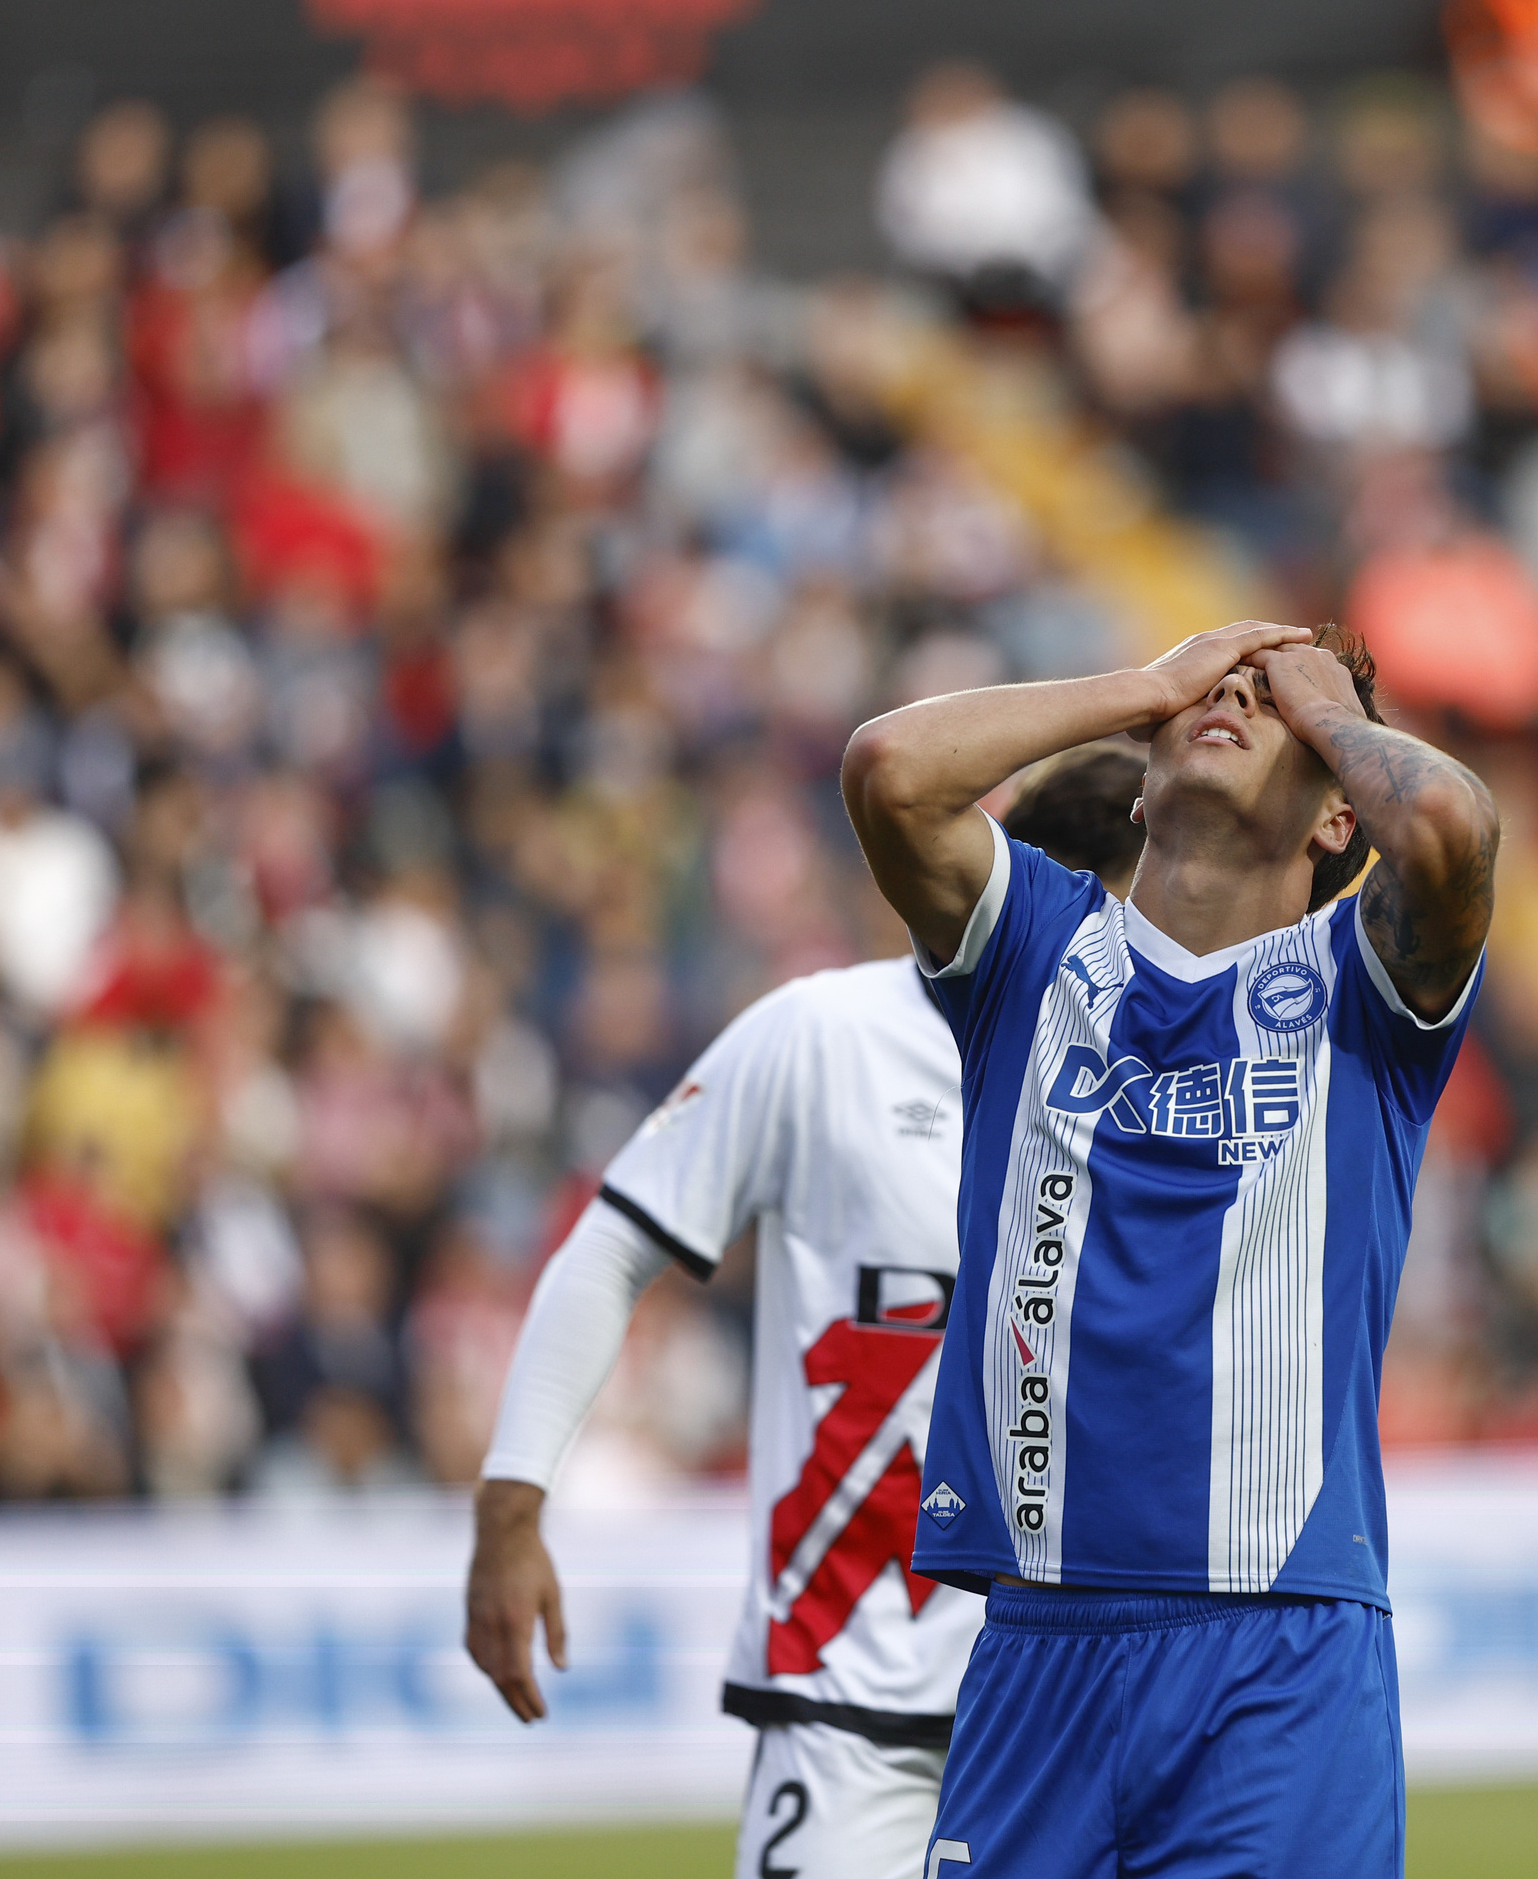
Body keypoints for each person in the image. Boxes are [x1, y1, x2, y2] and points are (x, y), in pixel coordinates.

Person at [840, 620, 1497, 1879]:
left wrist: (1328, 705)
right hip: (1038, 1646)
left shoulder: (1367, 994)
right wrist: (1143, 689)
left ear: (1336, 819)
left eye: (1277, 708)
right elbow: (889, 767)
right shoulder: (1033, 948)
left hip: (1278, 1649)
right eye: (1219, 687)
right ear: (1139, 781)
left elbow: (1453, 830)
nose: (1236, 701)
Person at [462, 747, 1145, 1879]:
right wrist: (511, 1501)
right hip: (850, 1690)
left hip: (1073, 1692)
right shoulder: (822, 1036)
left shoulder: (1169, 1080)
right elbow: (615, 1237)